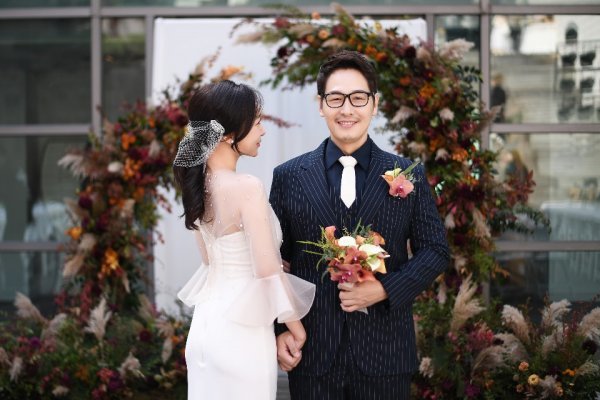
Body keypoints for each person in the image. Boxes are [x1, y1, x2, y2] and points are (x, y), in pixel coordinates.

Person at [269, 51, 450, 399]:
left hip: (385, 354)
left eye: (358, 98)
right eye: (336, 98)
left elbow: (435, 251)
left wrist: (385, 289)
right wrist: (280, 329)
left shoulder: (408, 173)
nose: (347, 109)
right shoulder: (289, 176)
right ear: (321, 105)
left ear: (375, 104)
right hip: (313, 354)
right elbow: (274, 264)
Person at [173, 80, 315, 400]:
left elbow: (210, 260)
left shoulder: (197, 186)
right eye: (257, 121)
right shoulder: (247, 186)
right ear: (228, 134)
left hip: (205, 330)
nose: (263, 130)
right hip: (242, 333)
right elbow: (267, 272)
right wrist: (298, 331)